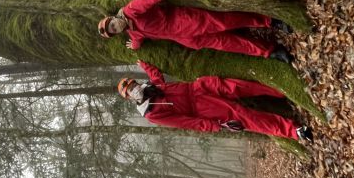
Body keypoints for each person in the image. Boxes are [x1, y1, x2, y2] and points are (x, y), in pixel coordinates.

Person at [97, 0, 293, 62]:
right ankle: (269, 51)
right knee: (227, 43)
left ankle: (269, 21)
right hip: (188, 39)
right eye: (113, 30)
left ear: (114, 17)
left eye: (112, 24)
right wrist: (135, 46)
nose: (115, 26)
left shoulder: (131, 10)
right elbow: (139, 41)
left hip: (188, 20)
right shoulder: (133, 32)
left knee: (228, 21)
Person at [118, 60, 313, 142]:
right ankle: (294, 131)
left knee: (239, 87)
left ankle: (285, 91)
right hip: (203, 108)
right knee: (245, 117)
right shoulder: (152, 113)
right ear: (129, 99)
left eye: (133, 85)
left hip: (199, 88)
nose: (135, 89)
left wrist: (145, 65)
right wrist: (214, 126)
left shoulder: (150, 88)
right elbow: (185, 122)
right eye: (130, 91)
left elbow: (158, 78)